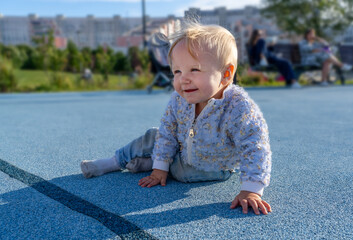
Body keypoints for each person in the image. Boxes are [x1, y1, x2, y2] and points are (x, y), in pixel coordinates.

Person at [80, 22, 272, 215]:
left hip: (212, 167)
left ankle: (153, 162)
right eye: (177, 71)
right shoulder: (179, 99)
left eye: (194, 70)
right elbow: (167, 132)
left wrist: (251, 190)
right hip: (182, 150)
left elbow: (255, 147)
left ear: (226, 74)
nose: (183, 79)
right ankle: (114, 162)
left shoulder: (239, 108)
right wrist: (159, 169)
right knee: (153, 135)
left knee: (178, 167)